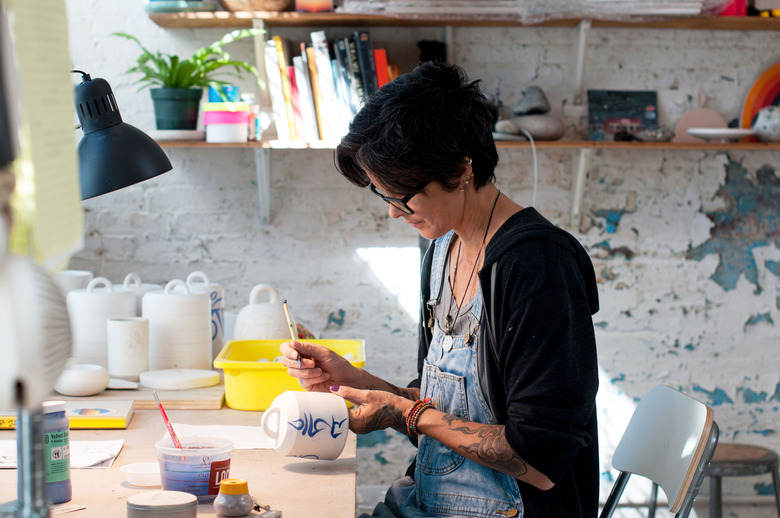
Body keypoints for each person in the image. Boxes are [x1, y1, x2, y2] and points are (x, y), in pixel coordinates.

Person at [279, 61, 600, 518]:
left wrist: (400, 413)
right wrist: (358, 382)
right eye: (382, 194)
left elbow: (540, 460)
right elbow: (446, 415)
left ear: (460, 167)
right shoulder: (442, 245)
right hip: (433, 501)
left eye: (402, 195)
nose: (393, 212)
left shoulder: (537, 268)